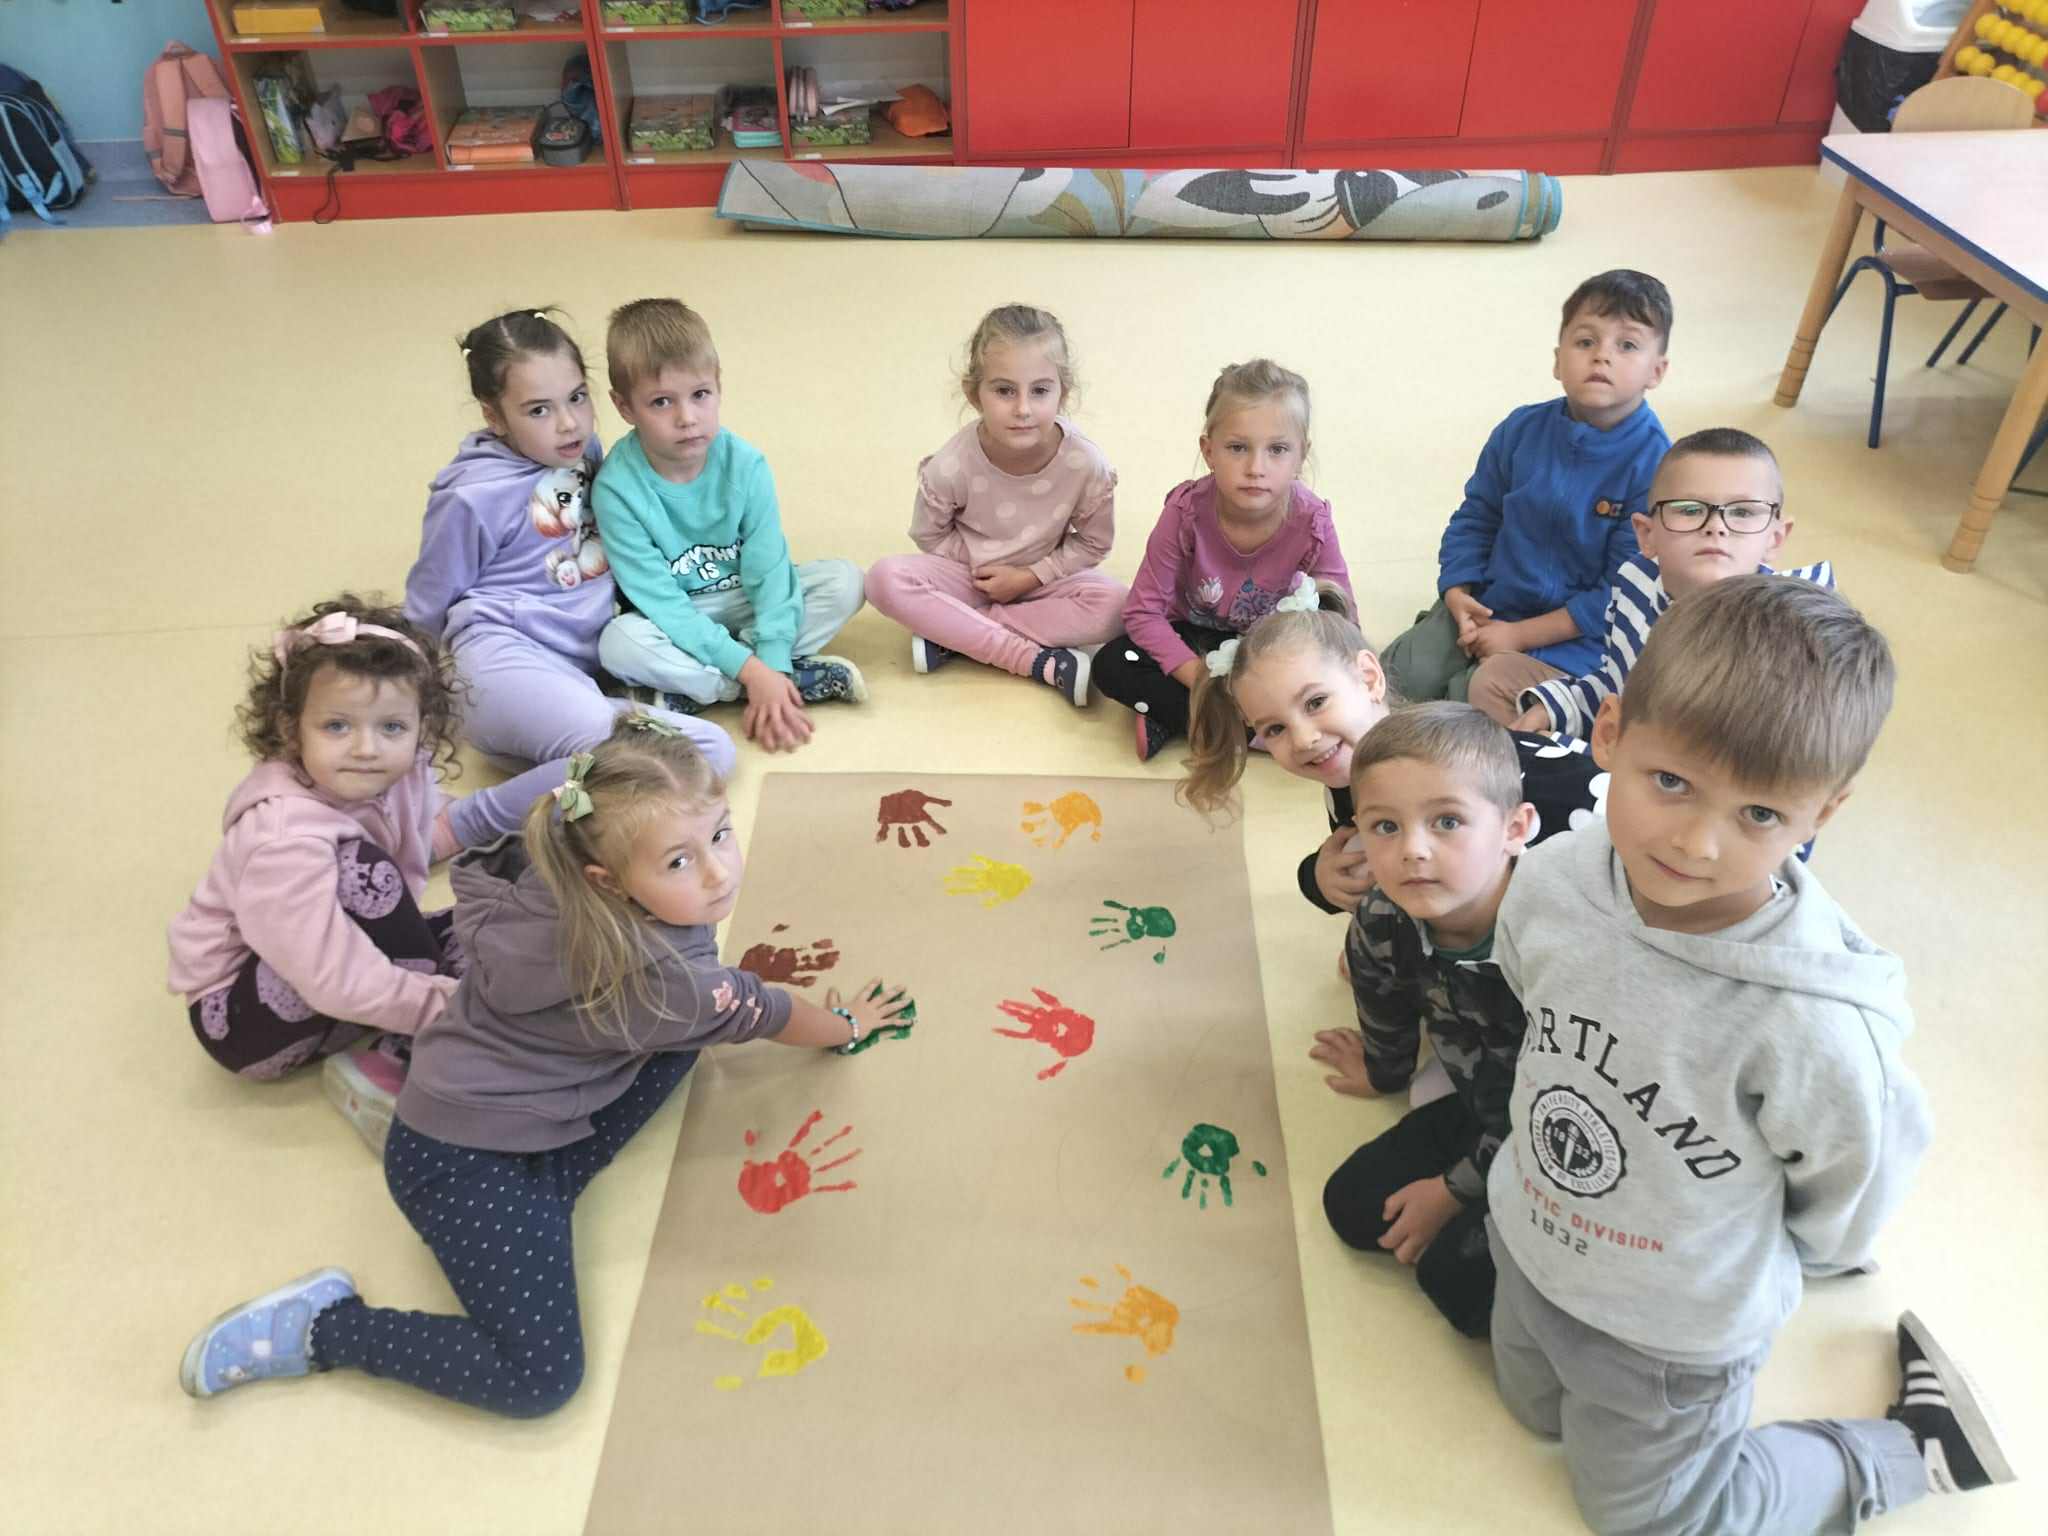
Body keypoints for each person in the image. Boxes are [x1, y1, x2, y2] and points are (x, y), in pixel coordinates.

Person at [179, 716, 914, 1417]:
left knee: (682, 1042)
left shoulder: (548, 871)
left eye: (720, 833)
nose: (719, 873)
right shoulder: (676, 987)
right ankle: (320, 1329)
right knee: (538, 1379)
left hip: (508, 1103)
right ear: (608, 880)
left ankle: (423, 1119)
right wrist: (847, 1026)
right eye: (680, 861)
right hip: (460, 1159)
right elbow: (770, 1012)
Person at [1486, 577, 2013, 1532]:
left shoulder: (1813, 1021)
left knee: (1654, 1521)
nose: (1696, 843)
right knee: (1530, 1410)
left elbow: (1851, 1188)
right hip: (1530, 1243)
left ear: (1822, 816)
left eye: (1760, 814)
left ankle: (1915, 1448)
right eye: (1671, 783)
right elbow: (1535, 1004)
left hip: (1671, 1333)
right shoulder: (1552, 877)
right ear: (1610, 734)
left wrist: (1797, 1259)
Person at [1177, 574, 1603, 1102]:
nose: (1304, 739)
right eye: (1275, 730)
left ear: (1369, 677)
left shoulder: (1440, 775)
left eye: (1315, 702)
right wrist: (1320, 880)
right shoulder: (1351, 779)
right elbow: (1369, 865)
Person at [166, 596, 565, 1153]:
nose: (365, 749)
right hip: (242, 1019)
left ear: (422, 730)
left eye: (392, 727)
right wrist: (445, 1008)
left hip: (321, 960)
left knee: (487, 925)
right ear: (290, 729)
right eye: (336, 725)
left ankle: (423, 1016)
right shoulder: (282, 840)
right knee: (365, 875)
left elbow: (421, 835)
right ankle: (388, 1067)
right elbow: (328, 975)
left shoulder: (396, 773)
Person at [404, 306, 735, 778]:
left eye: (577, 398)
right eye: (539, 410)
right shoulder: (471, 496)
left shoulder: (585, 453)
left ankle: (555, 749)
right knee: (679, 763)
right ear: (494, 416)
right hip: (502, 660)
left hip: (580, 673)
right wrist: (403, 706)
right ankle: (479, 813)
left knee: (708, 754)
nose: (569, 424)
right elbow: (427, 603)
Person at [1319, 705, 1537, 1339]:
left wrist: (1453, 1190)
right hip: (1482, 1100)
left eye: (1447, 821)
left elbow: (1556, 1102)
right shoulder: (1384, 916)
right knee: (1352, 1206)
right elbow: (1382, 1000)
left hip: (1554, 1128)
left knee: (1456, 1285)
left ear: (1514, 829)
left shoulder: (1548, 945)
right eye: (1385, 826)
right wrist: (1383, 1070)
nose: (1412, 850)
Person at [1381, 270, 1672, 710]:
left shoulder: (1656, 464)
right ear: (1557, 361)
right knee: (1398, 677)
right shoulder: (1520, 430)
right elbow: (1477, 516)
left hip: (1577, 636)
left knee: (1472, 703)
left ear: (1657, 371)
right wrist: (1458, 590)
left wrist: (1519, 636)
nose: (1602, 356)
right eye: (1585, 341)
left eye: (1627, 345)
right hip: (1490, 602)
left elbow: (1622, 588)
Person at [592, 298, 866, 754]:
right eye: (661, 402)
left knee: (846, 583)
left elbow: (769, 572)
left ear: (719, 386)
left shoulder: (746, 465)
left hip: (745, 601)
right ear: (624, 407)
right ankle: (764, 684)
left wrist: (772, 657)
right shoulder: (617, 489)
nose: (687, 418)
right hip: (676, 617)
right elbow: (663, 605)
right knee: (617, 644)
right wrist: (754, 672)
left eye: (700, 394)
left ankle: (708, 688)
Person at [865, 302, 1126, 706]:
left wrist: (1030, 576)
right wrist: (983, 570)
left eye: (1040, 391)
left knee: (1118, 607)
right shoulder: (952, 465)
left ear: (1063, 392)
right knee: (883, 579)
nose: (1022, 409)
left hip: (1044, 581)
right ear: (975, 394)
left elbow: (1093, 543)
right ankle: (1032, 660)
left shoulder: (1085, 463)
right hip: (970, 578)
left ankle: (957, 634)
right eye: (1004, 391)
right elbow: (929, 533)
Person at [1093, 359, 1351, 761]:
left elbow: (1340, 622)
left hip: (1269, 650)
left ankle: (1192, 720)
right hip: (1194, 640)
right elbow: (1143, 612)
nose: (1255, 468)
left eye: (1277, 450)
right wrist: (1202, 680)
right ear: (1208, 450)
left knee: (1334, 681)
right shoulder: (1185, 512)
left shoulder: (1312, 521)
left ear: (1301, 455)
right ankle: (1255, 729)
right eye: (1237, 448)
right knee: (1112, 664)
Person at [1501, 426, 1832, 735]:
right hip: (1626, 737)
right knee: (1496, 680)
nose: (1716, 526)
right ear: (1647, 535)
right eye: (1689, 509)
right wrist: (1554, 710)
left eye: (1743, 512)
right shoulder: (1635, 581)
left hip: (1699, 772)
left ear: (1775, 539)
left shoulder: (1789, 639)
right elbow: (1618, 684)